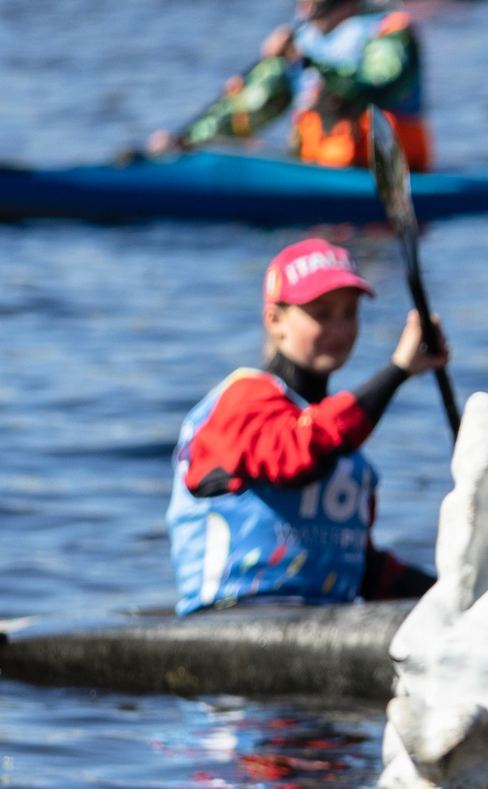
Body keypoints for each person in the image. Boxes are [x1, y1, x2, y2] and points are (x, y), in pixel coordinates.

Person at [169, 241, 448, 613]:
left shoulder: (344, 443)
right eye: (321, 313)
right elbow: (297, 456)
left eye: (349, 313)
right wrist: (397, 372)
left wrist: (457, 594)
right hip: (231, 619)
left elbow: (364, 570)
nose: (340, 328)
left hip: (321, 626)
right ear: (275, 321)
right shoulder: (242, 399)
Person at [161, 0, 431, 171]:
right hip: (319, 166)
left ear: (346, 0)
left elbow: (373, 82)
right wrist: (187, 139)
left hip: (387, 173)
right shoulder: (305, 39)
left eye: (314, 3)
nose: (304, 13)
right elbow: (255, 101)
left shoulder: (388, 35)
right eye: (302, 3)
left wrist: (309, 61)